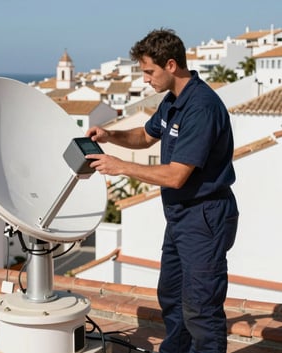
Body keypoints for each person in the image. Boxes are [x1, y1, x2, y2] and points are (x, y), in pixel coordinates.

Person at [85, 28, 239, 353]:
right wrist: (110, 136)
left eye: (149, 71)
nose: (145, 79)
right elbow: (145, 135)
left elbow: (176, 176)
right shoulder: (173, 102)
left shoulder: (201, 108)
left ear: (171, 65)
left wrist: (121, 166)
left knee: (201, 309)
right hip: (181, 218)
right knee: (171, 295)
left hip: (205, 218)